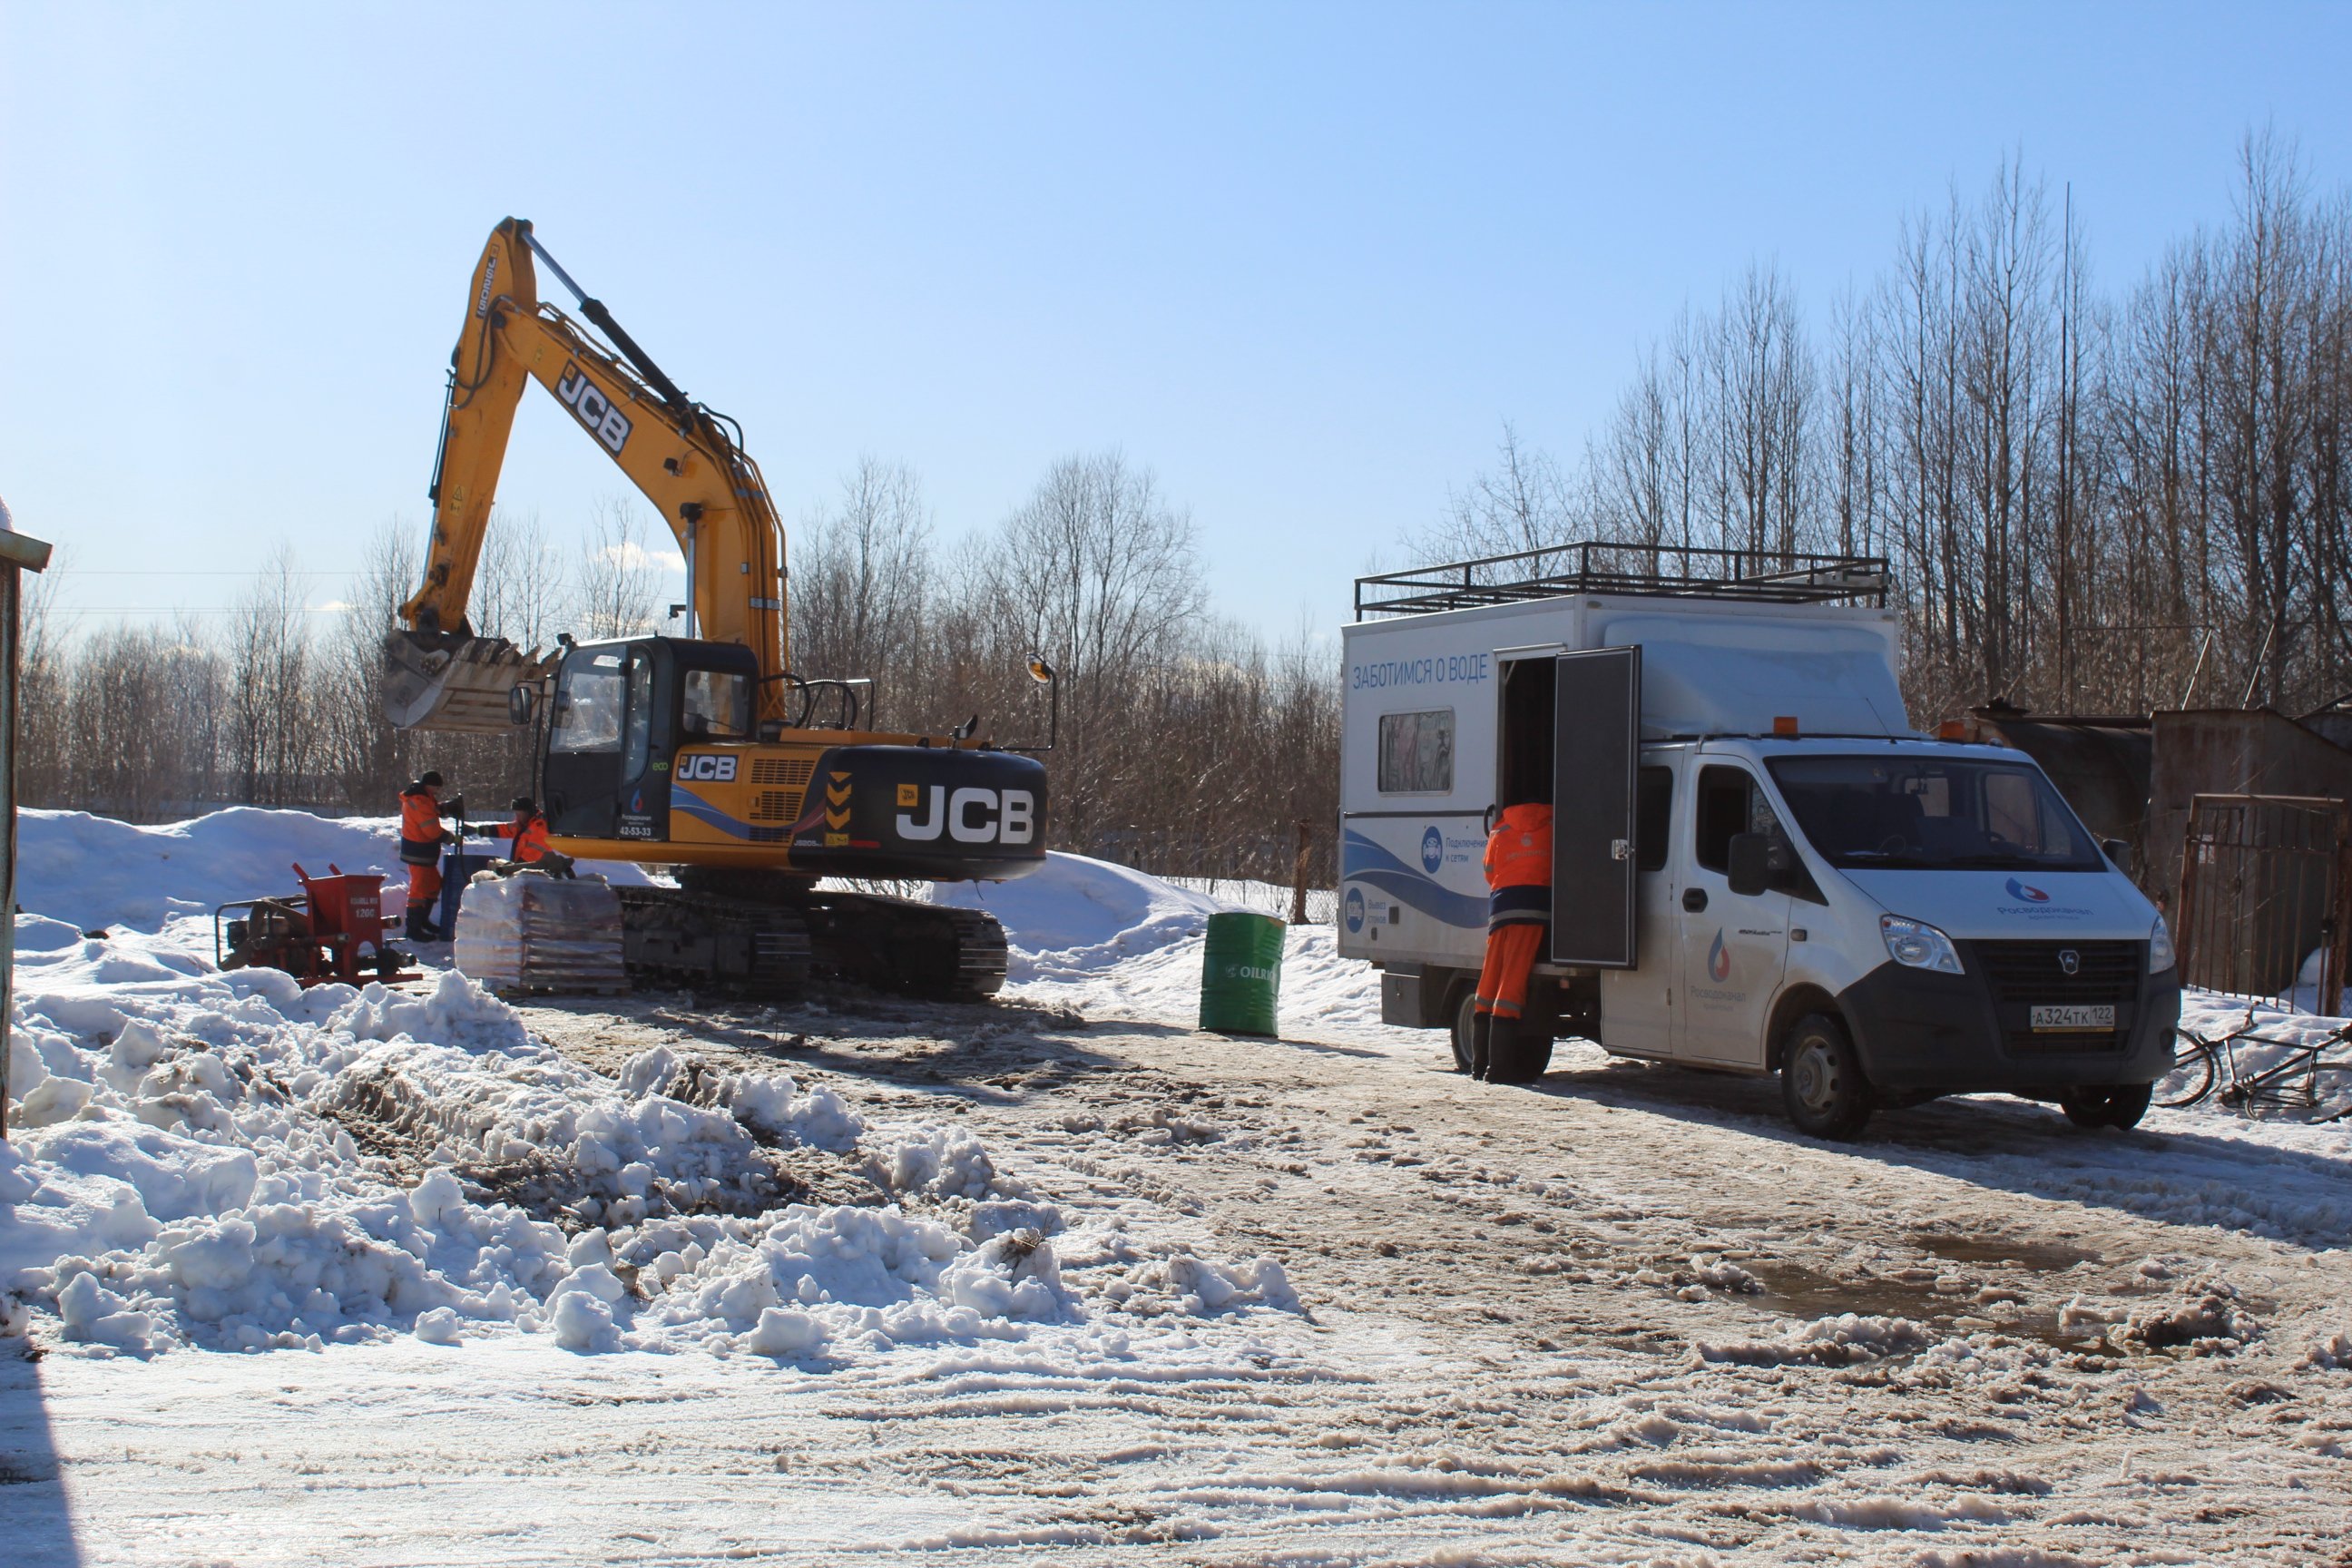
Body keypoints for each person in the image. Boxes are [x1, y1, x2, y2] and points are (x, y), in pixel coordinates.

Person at [1473, 800, 1553, 1082]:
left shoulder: (1499, 829)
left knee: (1489, 981)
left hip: (1501, 907)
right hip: (1532, 907)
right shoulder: (1554, 826)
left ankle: (1479, 1064)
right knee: (1512, 983)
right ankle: (1499, 1069)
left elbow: (1488, 871)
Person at [398, 771, 456, 942]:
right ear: (429, 785)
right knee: (418, 889)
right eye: (436, 787)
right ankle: (413, 929)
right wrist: (451, 838)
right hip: (418, 851)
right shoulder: (419, 800)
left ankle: (423, 921)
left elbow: (433, 811)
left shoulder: (424, 797)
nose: (438, 791)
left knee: (433, 884)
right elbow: (431, 830)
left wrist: (446, 808)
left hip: (424, 852)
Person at [495, 796, 551, 864]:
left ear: (528, 812)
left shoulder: (540, 826)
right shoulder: (524, 824)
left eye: (519, 814)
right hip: (521, 869)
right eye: (516, 814)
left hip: (533, 871)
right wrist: (482, 830)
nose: (517, 817)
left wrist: (514, 867)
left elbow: (533, 853)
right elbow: (505, 830)